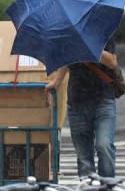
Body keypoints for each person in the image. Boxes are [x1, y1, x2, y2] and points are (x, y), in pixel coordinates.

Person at [46, 38, 118, 178]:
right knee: (83, 156)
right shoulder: (68, 37)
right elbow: (65, 62)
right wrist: (57, 82)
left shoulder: (101, 32)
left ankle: (108, 189)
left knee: (104, 146)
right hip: (77, 101)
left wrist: (87, 46)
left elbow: (112, 62)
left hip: (103, 99)